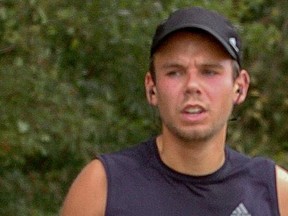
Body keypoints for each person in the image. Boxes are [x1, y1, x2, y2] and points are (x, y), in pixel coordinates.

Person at [61, 6, 288, 216]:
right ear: (152, 88)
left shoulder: (275, 193)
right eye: (174, 72)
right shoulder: (102, 187)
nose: (192, 85)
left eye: (209, 72)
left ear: (240, 87)